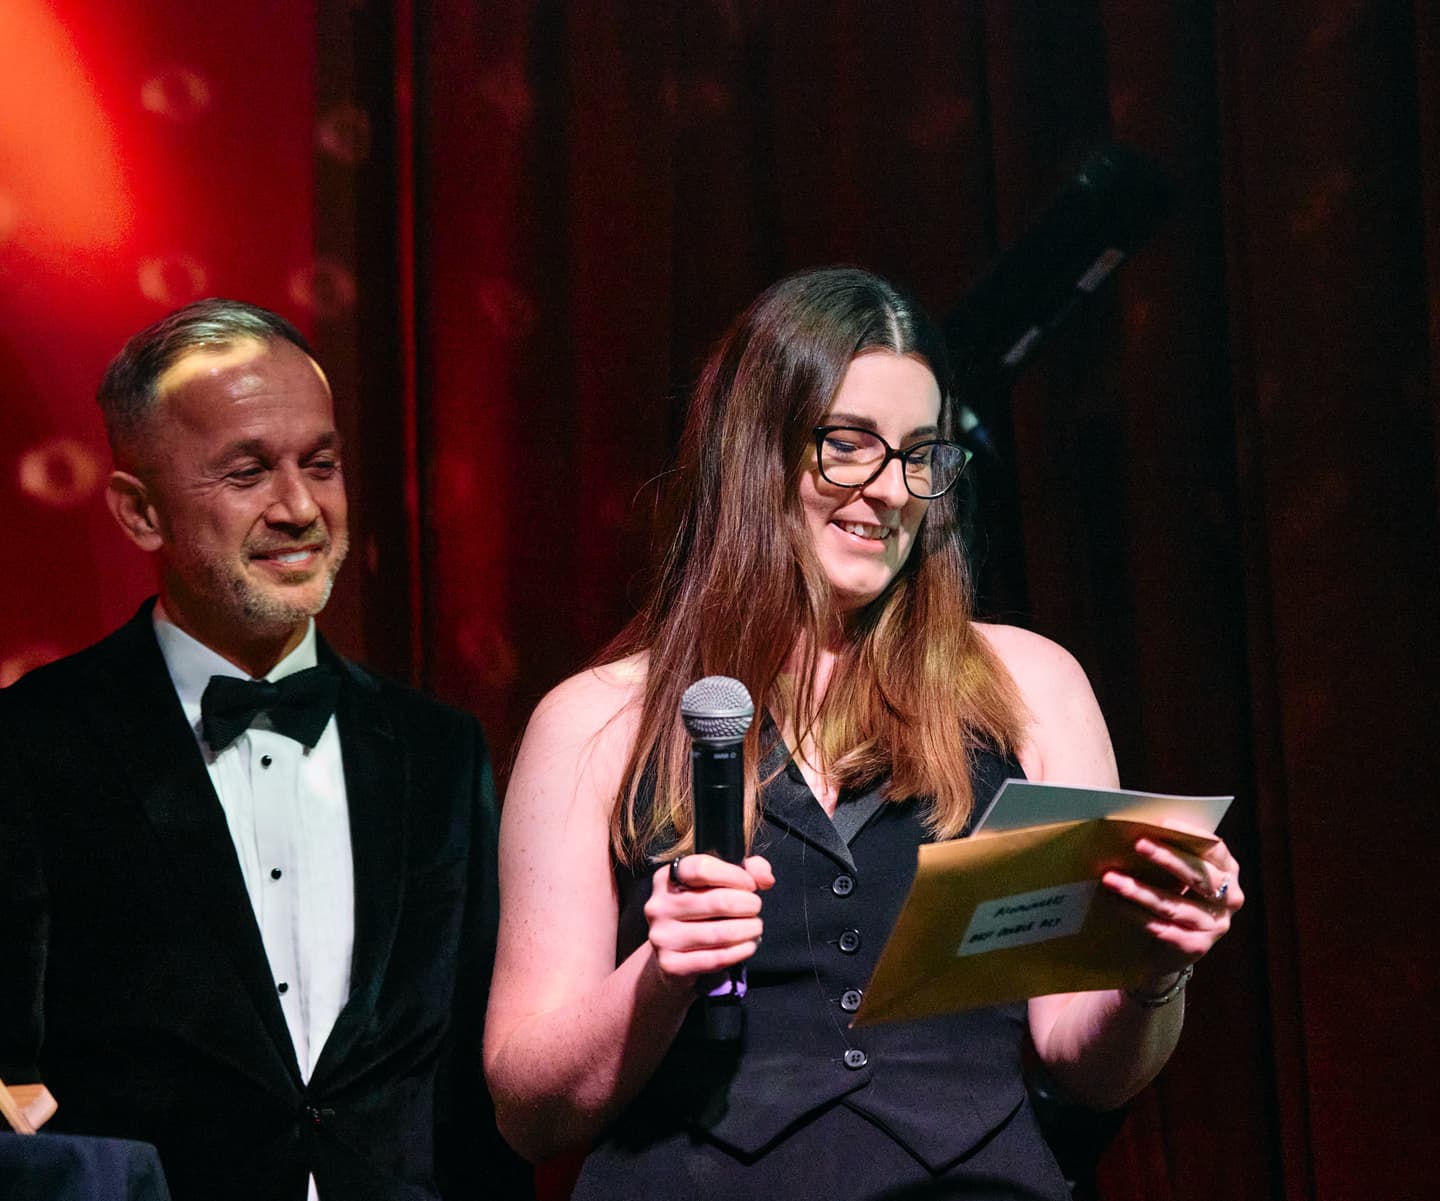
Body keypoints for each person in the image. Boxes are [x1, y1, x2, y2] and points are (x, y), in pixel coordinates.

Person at [483, 267, 1244, 1199]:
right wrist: (658, 976)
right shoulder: (598, 719)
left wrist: (1154, 972)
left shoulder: (1029, 685)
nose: (888, 491)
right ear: (757, 450)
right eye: (848, 446)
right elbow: (528, 1110)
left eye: (921, 455)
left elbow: (1085, 1061)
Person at [0, 300, 527, 1201]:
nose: (299, 506)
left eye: (319, 463)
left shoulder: (440, 750)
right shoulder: (32, 742)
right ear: (138, 512)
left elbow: (474, 1098)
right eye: (246, 471)